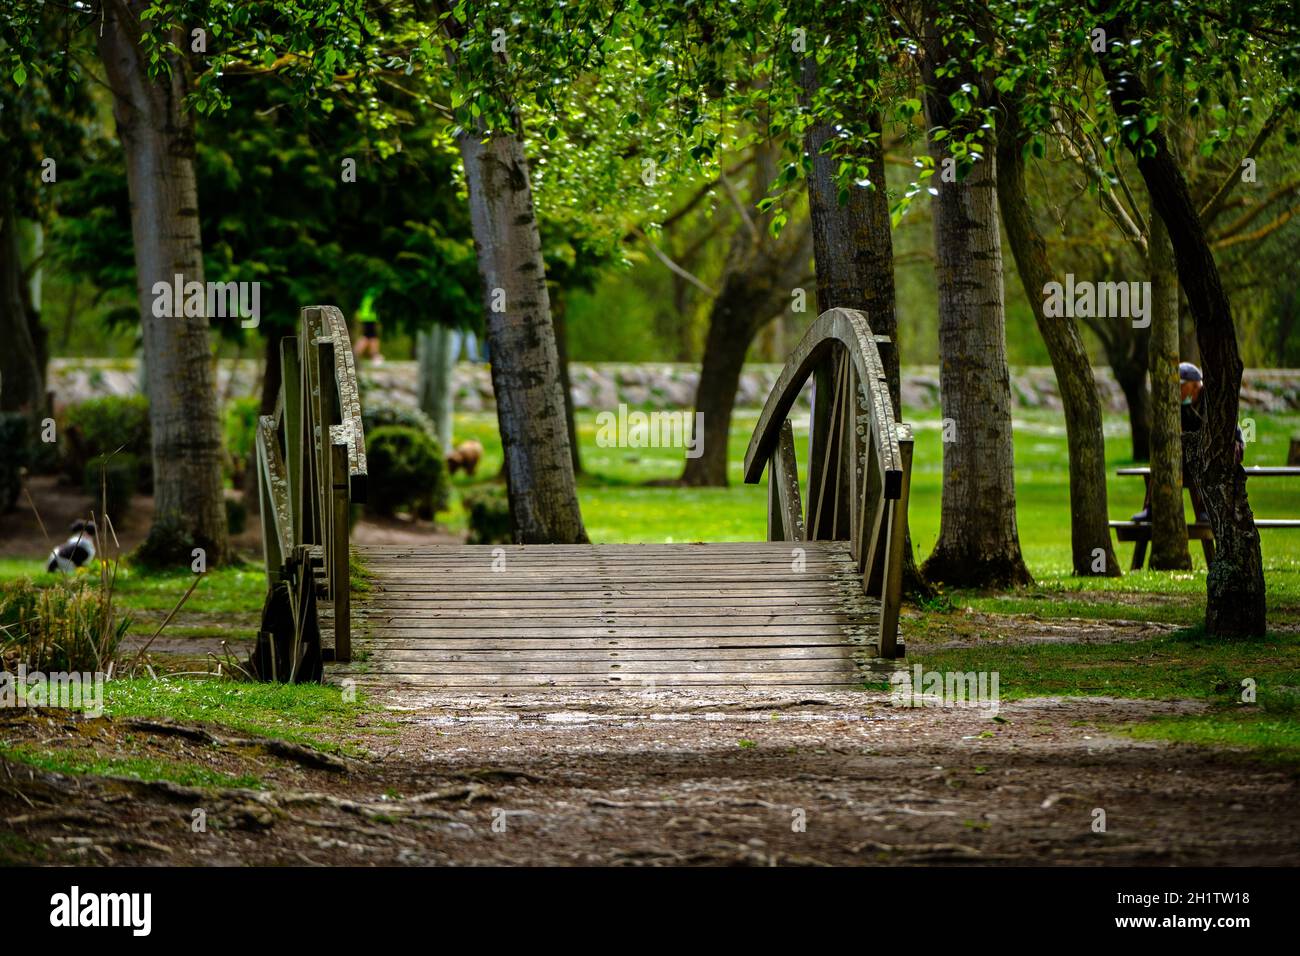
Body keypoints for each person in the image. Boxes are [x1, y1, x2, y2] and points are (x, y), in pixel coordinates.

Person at [1131, 362, 1244, 522]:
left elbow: (1218, 435)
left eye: (1180, 386)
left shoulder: (1212, 400)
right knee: (1165, 456)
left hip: (1229, 447)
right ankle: (1153, 508)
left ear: (1194, 385)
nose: (1177, 390)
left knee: (1205, 455)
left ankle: (1207, 510)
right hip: (1197, 447)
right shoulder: (1181, 405)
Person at [353, 288, 384, 363]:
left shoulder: (366, 295)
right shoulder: (374, 295)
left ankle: (355, 353)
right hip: (370, 318)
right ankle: (374, 356)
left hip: (366, 318)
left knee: (369, 336)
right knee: (371, 337)